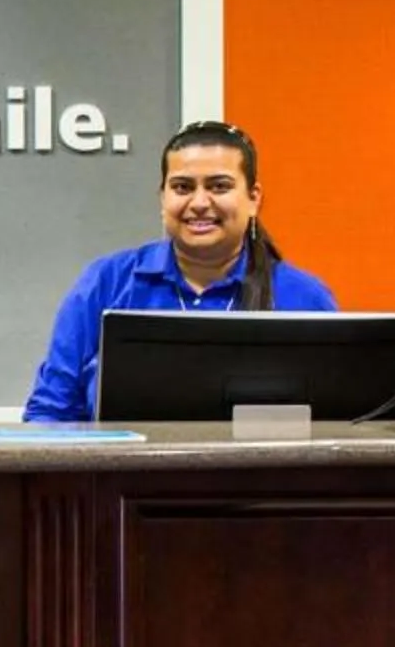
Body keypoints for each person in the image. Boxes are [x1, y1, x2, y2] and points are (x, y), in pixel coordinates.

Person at [22, 119, 338, 422]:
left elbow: (336, 423)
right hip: (123, 477)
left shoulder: (304, 297)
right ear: (163, 198)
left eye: (219, 186)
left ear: (253, 198)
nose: (200, 202)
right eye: (182, 187)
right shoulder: (106, 283)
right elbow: (50, 413)